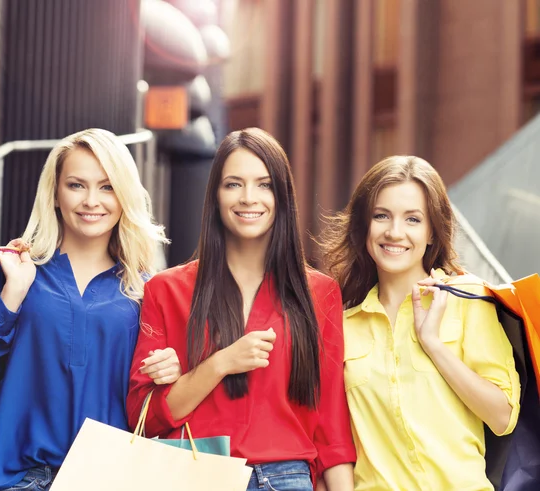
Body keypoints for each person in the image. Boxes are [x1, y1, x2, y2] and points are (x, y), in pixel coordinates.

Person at [0, 128, 180, 491]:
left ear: (124, 197)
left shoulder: (147, 290)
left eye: (107, 187)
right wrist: (12, 296)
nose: (92, 200)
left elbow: (156, 404)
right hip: (21, 477)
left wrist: (173, 369)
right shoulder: (16, 269)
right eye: (76, 185)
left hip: (111, 479)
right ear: (55, 194)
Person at [127, 127, 356, 491]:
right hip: (197, 475)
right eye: (233, 184)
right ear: (215, 195)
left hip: (288, 478)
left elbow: (331, 425)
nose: (249, 198)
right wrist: (219, 364)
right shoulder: (166, 291)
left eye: (264, 184)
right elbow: (146, 417)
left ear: (282, 196)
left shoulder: (320, 293)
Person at [320, 155, 521, 490]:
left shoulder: (466, 298)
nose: (394, 232)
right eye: (381, 216)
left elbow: (503, 418)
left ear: (431, 233)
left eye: (413, 219)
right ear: (364, 226)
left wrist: (434, 345)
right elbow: (332, 439)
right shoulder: (341, 326)